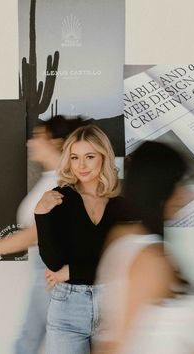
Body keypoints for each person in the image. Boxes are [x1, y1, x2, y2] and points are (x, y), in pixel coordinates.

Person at [0, 115, 85, 354]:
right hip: (45, 273)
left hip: (55, 275)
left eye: (38, 137)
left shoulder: (62, 184)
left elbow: (34, 235)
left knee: (44, 344)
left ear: (57, 142)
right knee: (28, 342)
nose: (30, 143)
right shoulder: (51, 179)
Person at [93, 141, 194, 354]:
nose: (184, 194)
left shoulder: (123, 237)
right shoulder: (149, 258)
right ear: (159, 187)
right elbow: (116, 345)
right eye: (176, 183)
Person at [34, 125, 134, 354]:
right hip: (67, 309)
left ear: (103, 157)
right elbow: (54, 263)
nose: (81, 165)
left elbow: (123, 263)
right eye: (75, 157)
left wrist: (72, 272)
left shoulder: (123, 202)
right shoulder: (59, 199)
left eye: (89, 157)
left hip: (114, 307)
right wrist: (41, 214)